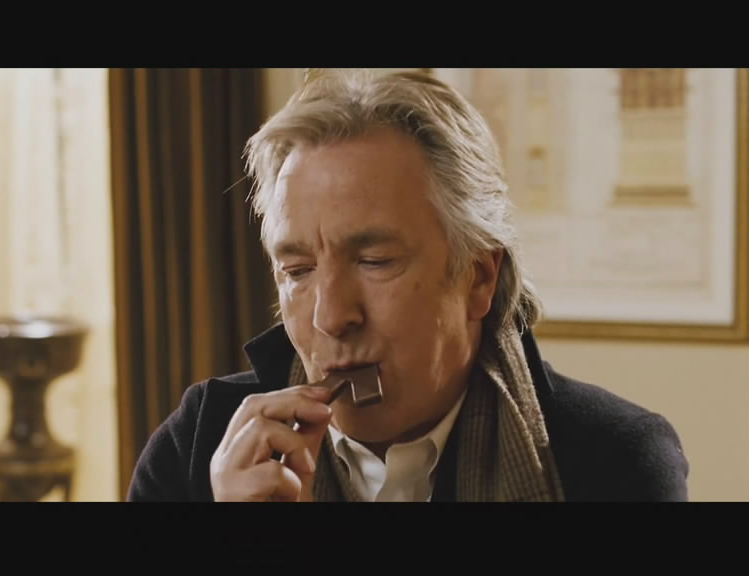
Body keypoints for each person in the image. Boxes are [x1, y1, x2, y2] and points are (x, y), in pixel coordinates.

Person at [126, 69, 689, 502]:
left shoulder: (614, 462)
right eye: (297, 271)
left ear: (478, 277)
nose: (331, 317)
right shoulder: (196, 448)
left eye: (374, 261)